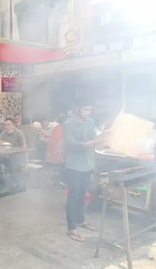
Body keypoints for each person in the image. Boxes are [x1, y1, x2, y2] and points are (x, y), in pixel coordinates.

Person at [63, 99, 97, 242]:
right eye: (85, 110)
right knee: (74, 194)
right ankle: (72, 227)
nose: (88, 112)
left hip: (88, 163)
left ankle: (80, 219)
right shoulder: (68, 124)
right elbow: (70, 144)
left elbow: (94, 138)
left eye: (89, 109)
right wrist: (85, 144)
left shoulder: (91, 122)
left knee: (83, 193)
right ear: (78, 109)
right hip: (74, 165)